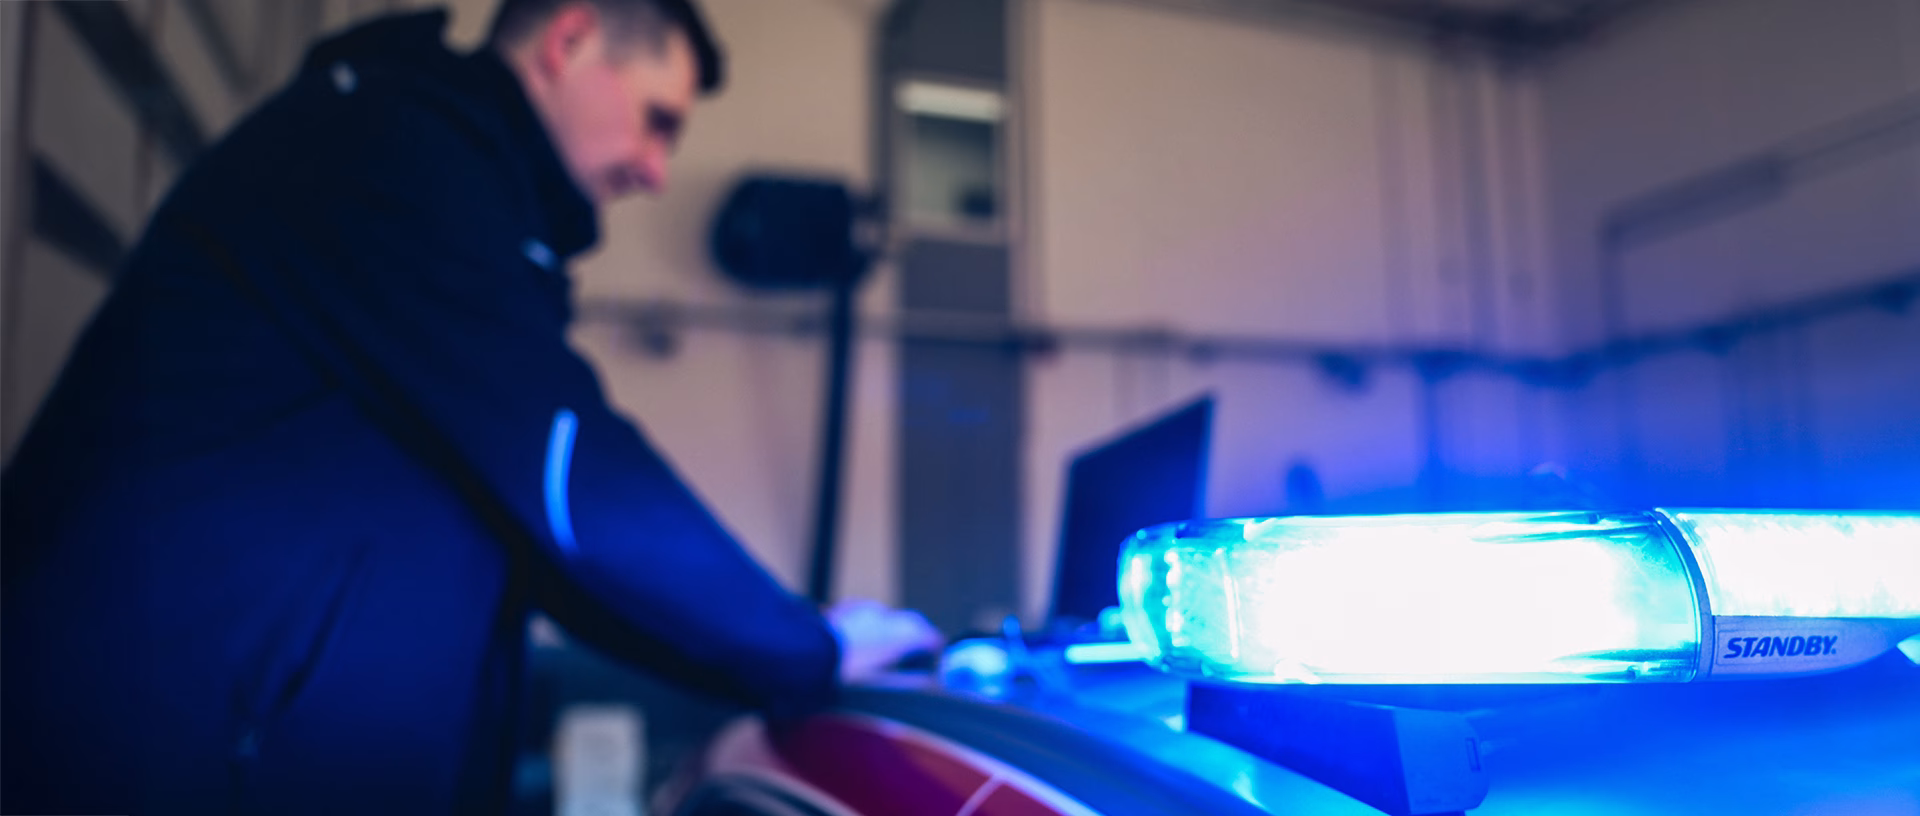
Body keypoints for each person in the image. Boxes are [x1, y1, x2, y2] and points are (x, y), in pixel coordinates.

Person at [0, 1, 934, 813]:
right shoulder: (386, 153)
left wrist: (788, 650)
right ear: (569, 40)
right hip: (171, 766)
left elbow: (542, 535)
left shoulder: (441, 186)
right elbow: (570, 477)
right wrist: (804, 648)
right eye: (657, 121)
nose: (655, 170)